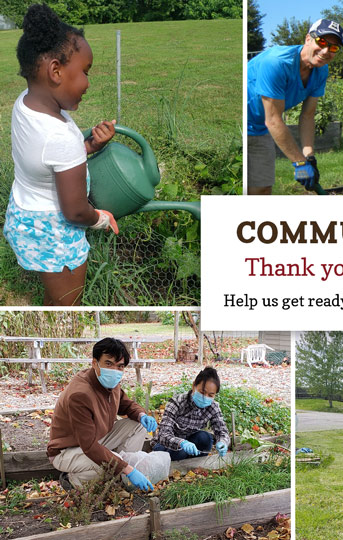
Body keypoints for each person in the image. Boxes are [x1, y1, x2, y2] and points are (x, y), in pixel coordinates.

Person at [3, 3, 119, 306]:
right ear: (55, 71)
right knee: (70, 304)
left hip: (26, 215)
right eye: (85, 72)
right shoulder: (61, 136)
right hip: (54, 231)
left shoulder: (25, 104)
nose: (88, 83)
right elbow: (75, 211)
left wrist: (90, 147)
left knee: (55, 295)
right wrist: (101, 219)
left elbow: (47, 159)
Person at [246, 18, 343, 195]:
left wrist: (309, 157)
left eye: (334, 47)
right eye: (322, 42)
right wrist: (299, 163)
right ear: (308, 39)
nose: (326, 51)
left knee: (261, 189)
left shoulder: (321, 70)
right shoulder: (276, 63)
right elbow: (274, 120)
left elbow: (308, 115)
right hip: (241, 124)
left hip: (260, 129)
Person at [47, 338, 157, 492]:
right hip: (68, 449)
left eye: (120, 366)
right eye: (108, 363)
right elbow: (89, 446)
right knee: (107, 467)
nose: (114, 370)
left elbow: (125, 404)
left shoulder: (110, 382)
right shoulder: (80, 395)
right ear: (94, 363)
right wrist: (126, 468)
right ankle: (72, 480)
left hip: (96, 438)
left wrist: (141, 415)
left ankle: (120, 471)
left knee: (138, 425)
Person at [153, 367, 230, 461]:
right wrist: (181, 443)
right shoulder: (177, 402)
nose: (205, 397)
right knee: (180, 451)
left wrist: (223, 442)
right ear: (194, 386)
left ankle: (195, 465)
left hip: (190, 443)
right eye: (202, 392)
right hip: (166, 446)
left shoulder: (213, 407)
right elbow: (163, 434)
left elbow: (222, 431)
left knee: (205, 438)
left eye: (210, 395)